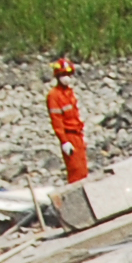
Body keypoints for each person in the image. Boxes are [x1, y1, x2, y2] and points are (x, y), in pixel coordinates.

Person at [47, 55, 90, 186]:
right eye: (64, 74)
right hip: (69, 135)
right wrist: (64, 141)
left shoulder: (69, 92)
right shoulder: (54, 96)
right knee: (75, 170)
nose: (67, 78)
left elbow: (75, 115)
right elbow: (57, 121)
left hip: (77, 134)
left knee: (83, 168)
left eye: (69, 75)